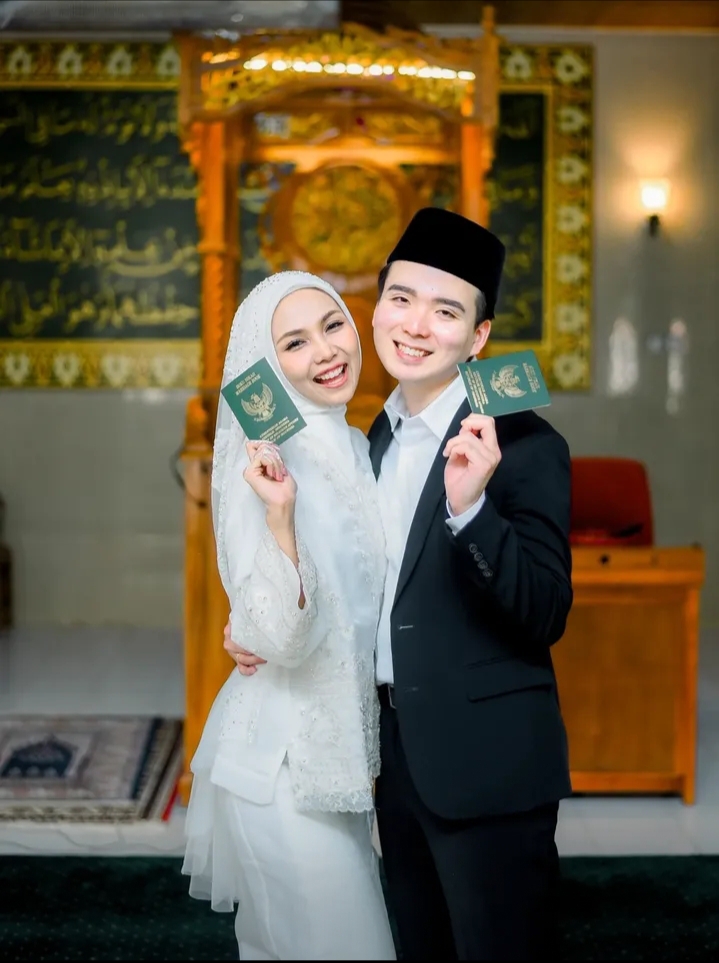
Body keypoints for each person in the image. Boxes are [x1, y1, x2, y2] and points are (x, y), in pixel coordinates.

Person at [230, 208, 574, 961]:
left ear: (478, 337)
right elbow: (363, 586)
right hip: (390, 756)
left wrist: (472, 511)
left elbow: (546, 611)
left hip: (485, 762)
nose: (415, 325)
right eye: (401, 299)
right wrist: (259, 624)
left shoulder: (524, 442)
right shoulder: (371, 438)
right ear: (376, 306)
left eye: (446, 311)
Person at [182, 271, 396, 961]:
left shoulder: (357, 446)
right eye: (294, 343)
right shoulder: (262, 463)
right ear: (266, 365)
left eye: (332, 326)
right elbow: (275, 634)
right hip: (278, 766)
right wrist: (280, 519)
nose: (326, 351)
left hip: (339, 766)